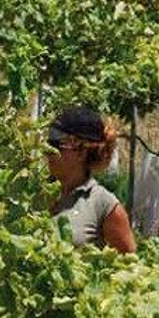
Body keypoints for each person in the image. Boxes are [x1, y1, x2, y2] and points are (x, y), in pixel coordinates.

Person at [46, 106, 135, 253]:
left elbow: (128, 265)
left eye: (57, 143)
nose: (47, 150)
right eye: (48, 140)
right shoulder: (29, 193)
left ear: (82, 152)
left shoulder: (104, 205)